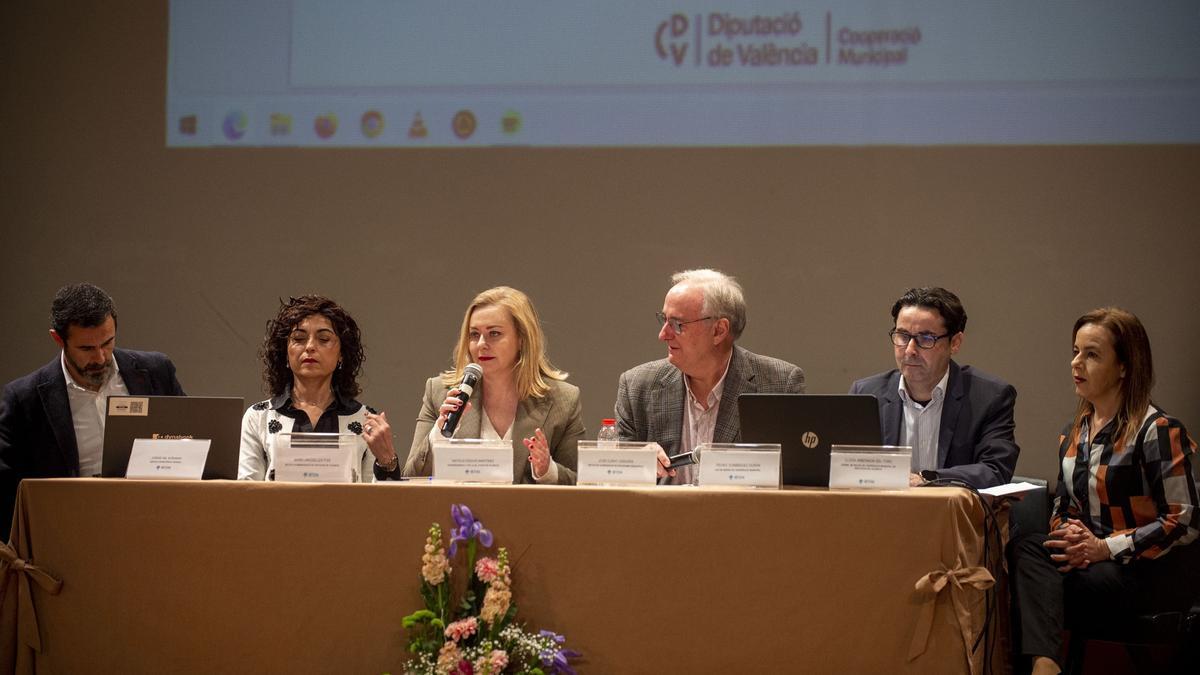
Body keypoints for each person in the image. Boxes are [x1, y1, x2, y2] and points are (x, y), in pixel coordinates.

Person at [1009, 308, 1200, 675]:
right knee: (1030, 547)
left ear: (1125, 366)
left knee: (1034, 587)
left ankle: (1042, 665)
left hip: (1148, 572)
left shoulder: (1158, 430)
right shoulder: (1075, 432)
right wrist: (1070, 536)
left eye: (1092, 354)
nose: (1076, 363)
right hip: (1092, 565)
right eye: (1075, 351)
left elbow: (1184, 521)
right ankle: (1045, 664)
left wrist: (1104, 548)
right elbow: (1064, 505)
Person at [0, 282, 184, 540]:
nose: (100, 358)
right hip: (71, 535)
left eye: (107, 343)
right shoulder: (25, 399)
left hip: (155, 525)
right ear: (58, 339)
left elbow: (190, 440)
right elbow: (8, 491)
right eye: (86, 348)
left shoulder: (156, 372)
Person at [615, 269, 805, 485]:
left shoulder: (778, 384)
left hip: (742, 516)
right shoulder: (637, 386)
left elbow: (794, 483)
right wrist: (632, 462)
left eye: (677, 324)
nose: (663, 334)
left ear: (719, 330)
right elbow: (615, 484)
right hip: (661, 516)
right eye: (663, 320)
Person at [403, 286, 582, 484]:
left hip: (529, 513)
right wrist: (439, 435)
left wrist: (547, 470)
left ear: (522, 339)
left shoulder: (562, 400)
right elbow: (411, 476)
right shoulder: (440, 393)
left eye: (494, 334)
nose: (481, 344)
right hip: (458, 512)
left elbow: (580, 484)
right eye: (474, 335)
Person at [849, 287, 1018, 488]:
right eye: (902, 336)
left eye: (925, 338)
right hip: (884, 514)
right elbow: (848, 468)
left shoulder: (990, 397)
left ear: (955, 343)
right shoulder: (867, 394)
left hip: (954, 516)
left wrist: (926, 478)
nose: (910, 350)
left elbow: (995, 470)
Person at [238, 295, 399, 482]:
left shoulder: (365, 421)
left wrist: (387, 461)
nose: (310, 347)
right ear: (285, 353)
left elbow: (382, 503)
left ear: (341, 355)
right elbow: (246, 494)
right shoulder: (259, 417)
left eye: (323, 339)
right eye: (299, 338)